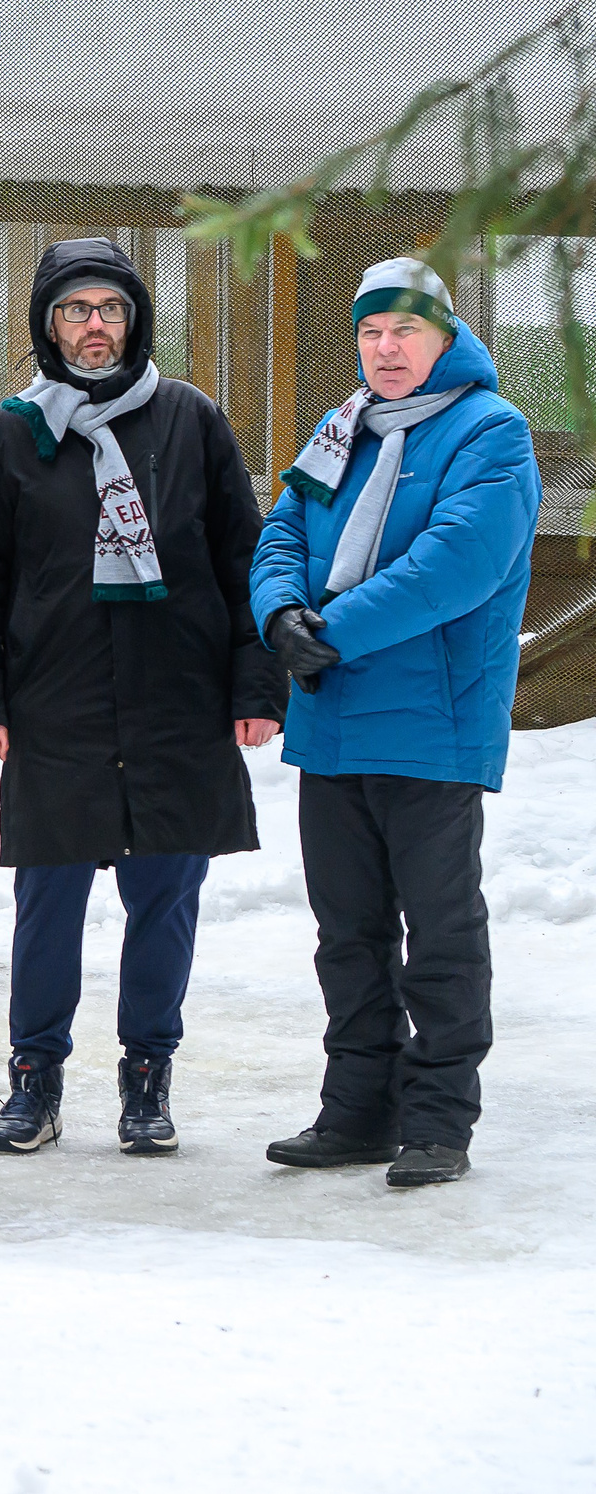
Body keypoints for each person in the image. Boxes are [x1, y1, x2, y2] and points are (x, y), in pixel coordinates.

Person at [0, 237, 285, 1158]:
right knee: (47, 904)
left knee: (165, 900)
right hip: (57, 707)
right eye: (75, 310)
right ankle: (34, 1077)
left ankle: (147, 1077)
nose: (95, 327)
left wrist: (258, 686)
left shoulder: (191, 420)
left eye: (111, 309)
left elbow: (244, 560)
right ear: (47, 327)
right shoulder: (9, 433)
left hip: (179, 705)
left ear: (135, 320)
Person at [250, 258, 537, 1190]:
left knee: (441, 931)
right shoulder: (344, 426)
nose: (386, 349)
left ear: (445, 338)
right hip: (334, 720)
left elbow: (459, 565)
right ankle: (355, 1113)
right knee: (348, 930)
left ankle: (438, 1122)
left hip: (433, 723)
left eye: (405, 332)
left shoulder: (490, 432)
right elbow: (284, 531)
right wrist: (280, 612)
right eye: (372, 333)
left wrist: (329, 632)